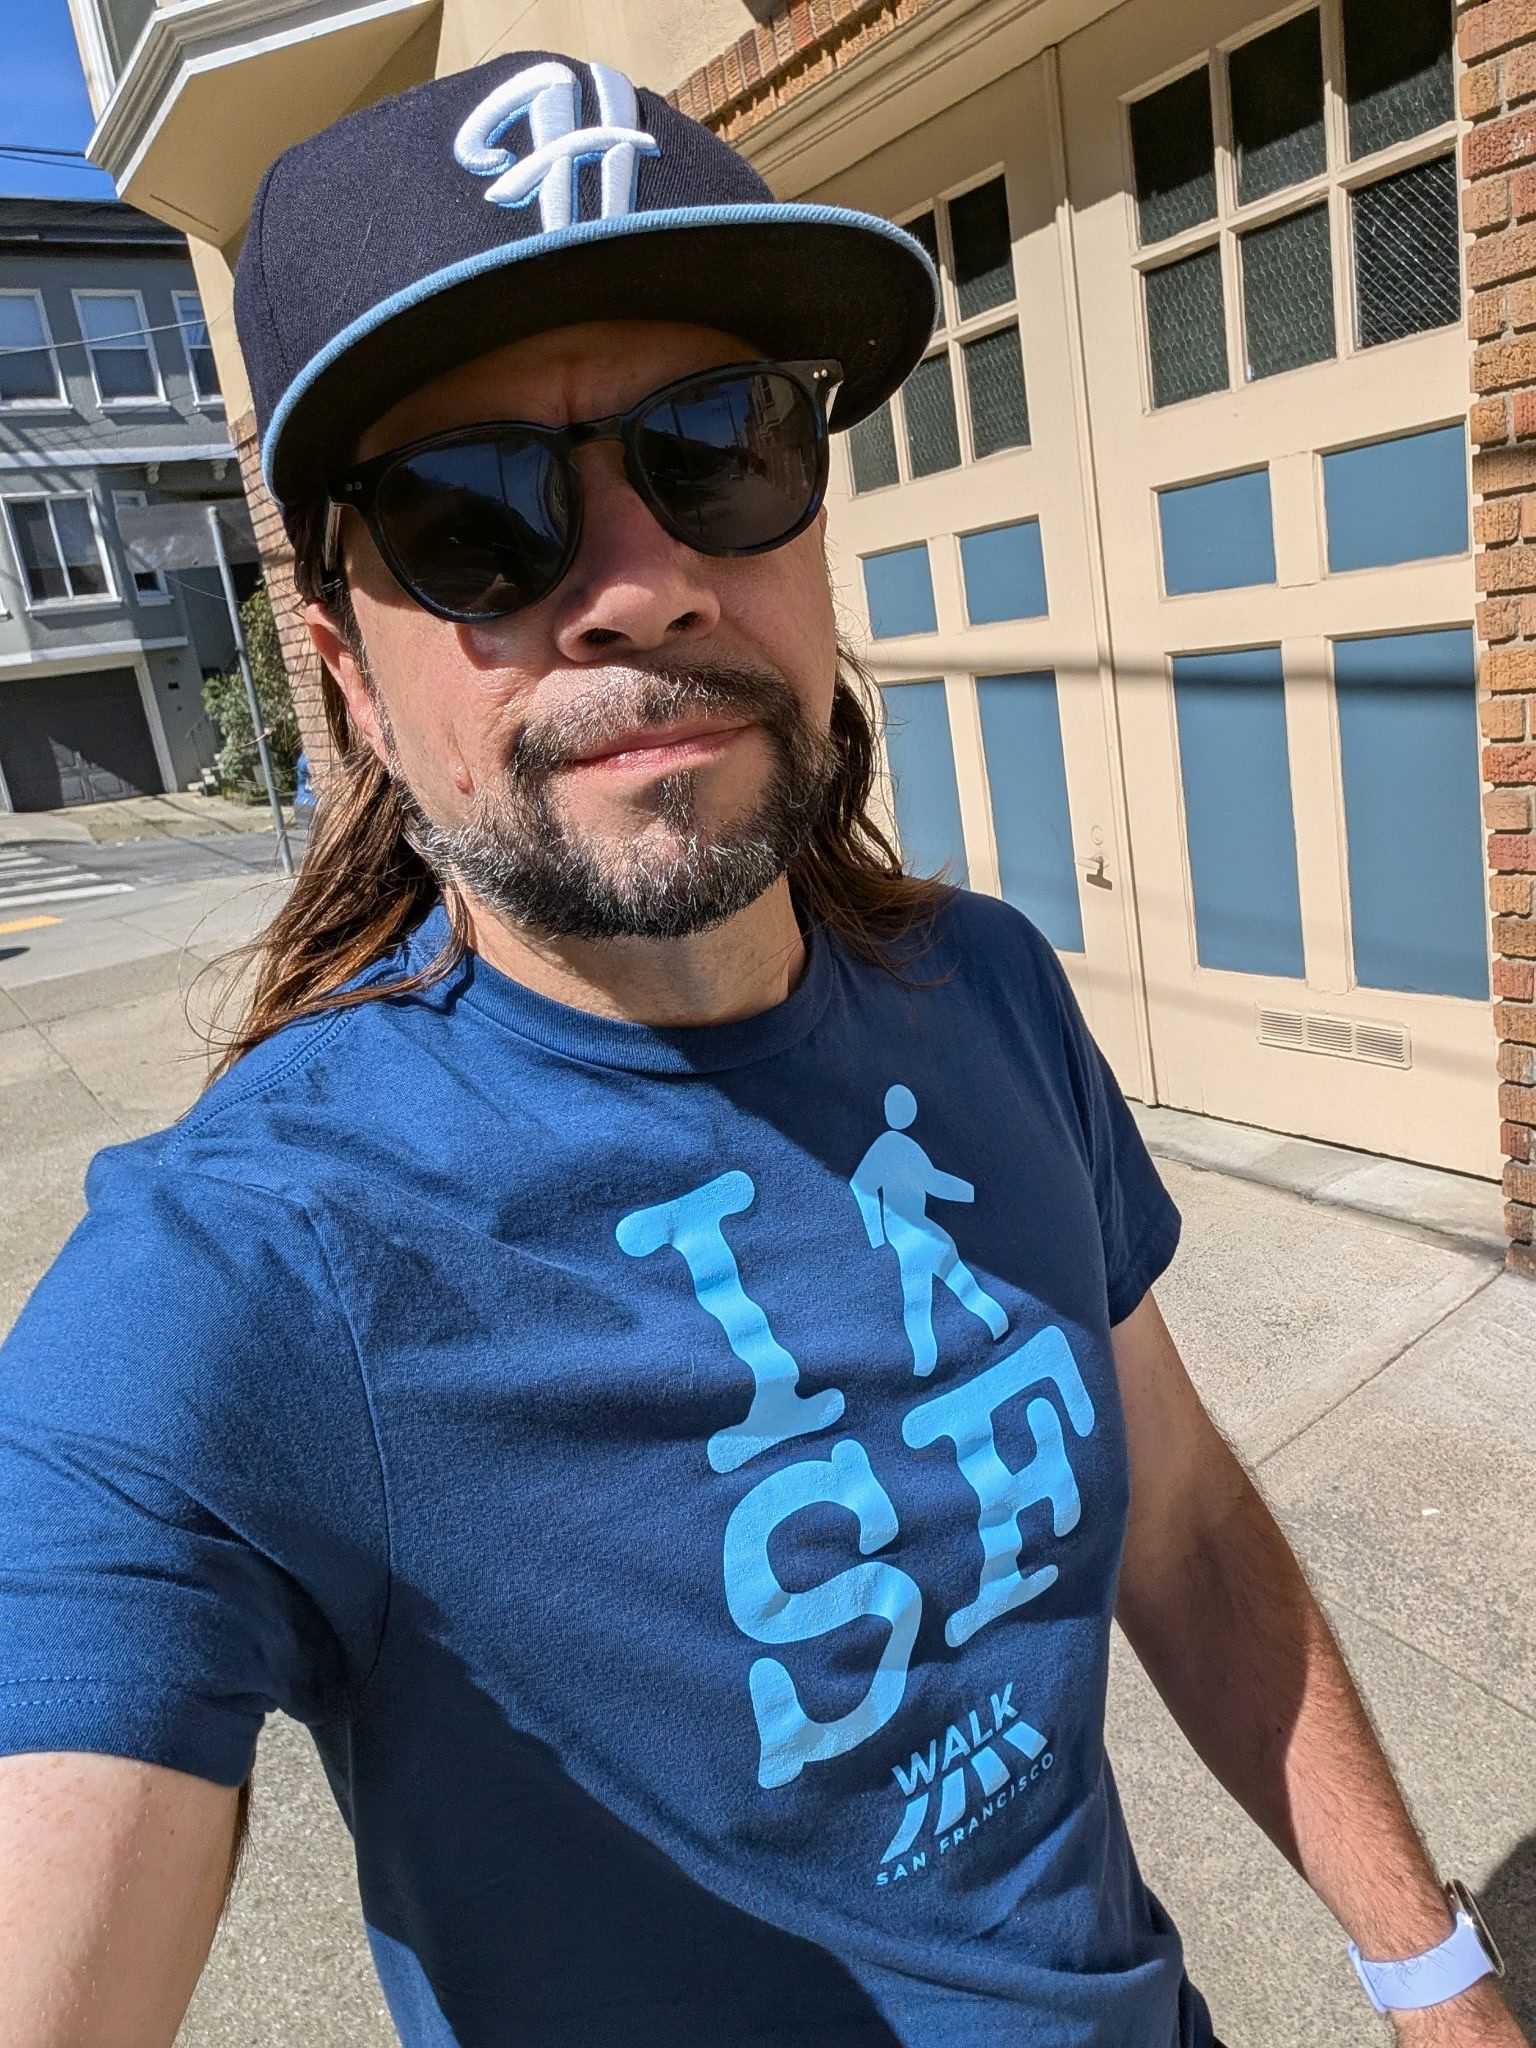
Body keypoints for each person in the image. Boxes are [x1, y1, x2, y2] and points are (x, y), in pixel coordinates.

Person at [0, 50, 1520, 2048]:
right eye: (472, 514)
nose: (642, 586)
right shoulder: (251, 1270)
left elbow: (1182, 1516)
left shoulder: (988, 991)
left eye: (717, 445)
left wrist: (1435, 1977)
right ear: (351, 673)